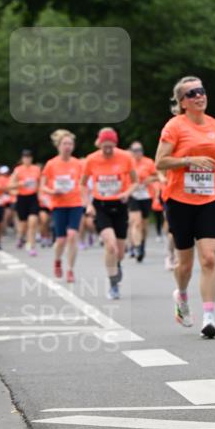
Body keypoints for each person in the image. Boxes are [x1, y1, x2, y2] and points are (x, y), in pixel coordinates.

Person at [155, 76, 215, 337]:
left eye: (202, 90)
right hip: (179, 200)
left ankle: (209, 317)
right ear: (182, 102)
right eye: (192, 93)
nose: (200, 95)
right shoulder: (174, 126)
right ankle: (181, 294)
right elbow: (160, 162)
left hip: (209, 199)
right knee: (185, 265)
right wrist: (190, 160)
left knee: (210, 258)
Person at [80, 128, 137, 300]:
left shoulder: (126, 157)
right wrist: (88, 204)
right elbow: (82, 185)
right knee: (110, 245)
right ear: (99, 143)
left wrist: (127, 193)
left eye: (110, 145)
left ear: (115, 143)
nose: (107, 149)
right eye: (105, 145)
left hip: (119, 206)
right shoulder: (91, 159)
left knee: (119, 252)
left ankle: (117, 264)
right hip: (101, 206)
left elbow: (135, 181)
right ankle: (113, 285)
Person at [40, 130, 85, 282]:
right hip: (58, 205)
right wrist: (53, 191)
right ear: (58, 146)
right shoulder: (51, 164)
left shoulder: (78, 164)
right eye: (65, 144)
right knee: (61, 240)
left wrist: (88, 202)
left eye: (70, 144)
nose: (68, 146)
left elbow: (84, 184)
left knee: (72, 236)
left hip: (75, 203)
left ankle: (71, 270)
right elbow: (43, 187)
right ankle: (57, 260)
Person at [127, 141, 158, 262]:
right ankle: (137, 247)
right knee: (136, 223)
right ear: (131, 151)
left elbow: (157, 175)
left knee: (144, 225)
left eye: (140, 150)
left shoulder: (148, 162)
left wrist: (149, 179)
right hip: (133, 195)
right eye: (135, 150)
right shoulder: (128, 162)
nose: (138, 152)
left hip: (146, 195)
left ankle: (142, 245)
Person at [10, 150, 41, 254]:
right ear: (22, 159)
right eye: (25, 157)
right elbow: (9, 185)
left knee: (33, 222)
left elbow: (41, 183)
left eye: (29, 157)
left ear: (31, 158)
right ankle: (20, 237)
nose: (27, 159)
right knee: (23, 224)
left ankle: (31, 246)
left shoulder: (36, 169)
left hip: (33, 197)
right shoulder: (18, 170)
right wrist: (20, 184)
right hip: (22, 198)